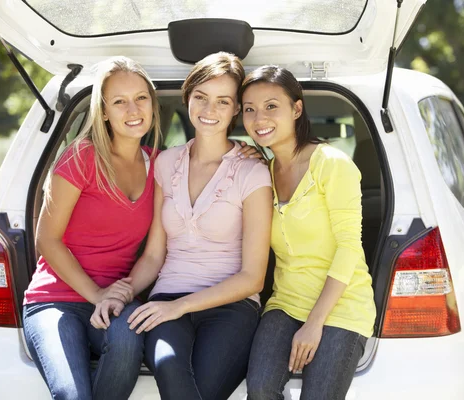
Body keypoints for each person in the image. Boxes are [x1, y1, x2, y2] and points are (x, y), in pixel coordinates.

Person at [91, 52, 273, 400]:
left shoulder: (253, 172)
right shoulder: (166, 162)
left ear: (236, 109)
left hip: (231, 306)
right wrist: (124, 291)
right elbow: (155, 254)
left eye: (223, 101)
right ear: (187, 97)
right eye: (201, 97)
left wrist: (181, 306)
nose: (210, 109)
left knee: (198, 390)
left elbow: (253, 278)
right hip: (166, 298)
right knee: (170, 366)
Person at [22, 56, 162, 400]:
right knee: (71, 394)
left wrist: (122, 293)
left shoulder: (161, 165)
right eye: (119, 101)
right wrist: (96, 295)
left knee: (128, 341)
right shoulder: (80, 157)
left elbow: (155, 254)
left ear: (152, 104)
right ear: (102, 111)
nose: (133, 109)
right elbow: (48, 240)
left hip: (115, 298)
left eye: (141, 98)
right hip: (55, 300)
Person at [240, 65, 376, 400]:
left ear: (296, 108)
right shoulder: (261, 172)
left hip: (342, 305)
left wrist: (315, 324)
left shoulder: (332, 164)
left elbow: (349, 248)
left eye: (272, 106)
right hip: (286, 302)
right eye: (250, 110)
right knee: (259, 389)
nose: (260, 118)